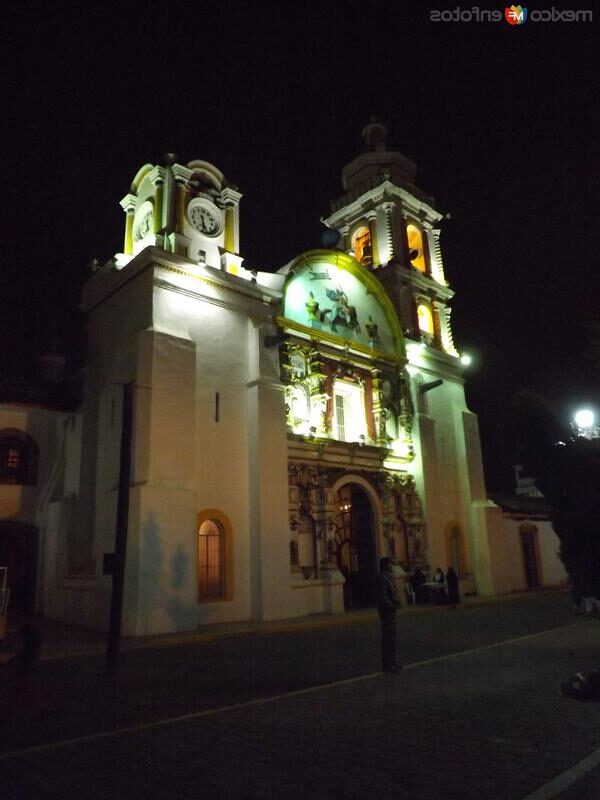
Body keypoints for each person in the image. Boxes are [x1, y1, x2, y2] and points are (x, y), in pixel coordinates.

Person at [1, 623, 43, 721]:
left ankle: (8, 716)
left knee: (16, 693)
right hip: (28, 671)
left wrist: (7, 663)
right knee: (29, 692)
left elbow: (21, 655)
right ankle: (39, 710)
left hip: (24, 672)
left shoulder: (29, 650)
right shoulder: (33, 648)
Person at [376, 557, 402, 672]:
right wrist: (391, 605)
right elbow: (382, 596)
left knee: (391, 638)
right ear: (386, 565)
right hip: (387, 612)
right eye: (390, 564)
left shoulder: (387, 577)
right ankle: (389, 664)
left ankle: (392, 662)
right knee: (388, 638)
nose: (392, 565)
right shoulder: (383, 578)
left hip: (390, 611)